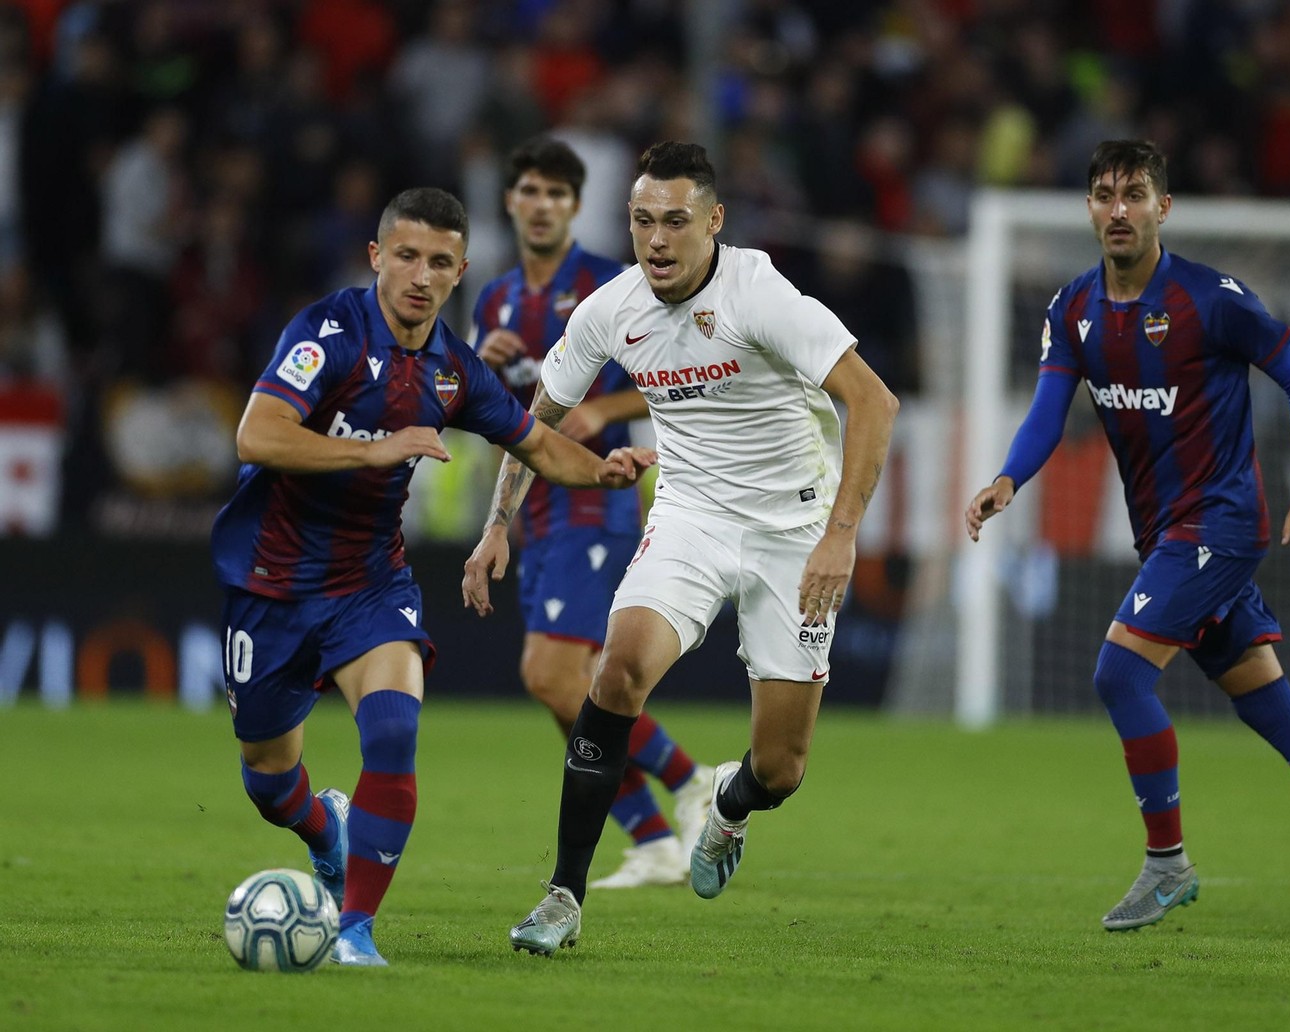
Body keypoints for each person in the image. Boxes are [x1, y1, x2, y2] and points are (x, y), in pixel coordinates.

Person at [964, 140, 1290, 939]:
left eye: (1135, 194)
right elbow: (1049, 410)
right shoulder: (1072, 310)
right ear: (1089, 208)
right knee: (1269, 704)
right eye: (1104, 194)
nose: (1118, 209)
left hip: (1219, 522)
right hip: (1167, 535)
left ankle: (1167, 863)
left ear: (1163, 209)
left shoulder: (1210, 300)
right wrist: (1010, 478)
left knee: (1119, 674)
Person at [461, 142, 899, 956]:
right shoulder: (609, 308)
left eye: (674, 221)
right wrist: (497, 526)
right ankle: (563, 893)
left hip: (794, 532)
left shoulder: (759, 292)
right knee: (616, 669)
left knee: (781, 768)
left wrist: (840, 537)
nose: (656, 240)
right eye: (641, 221)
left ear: (714, 223)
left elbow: (873, 402)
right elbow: (532, 422)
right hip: (691, 517)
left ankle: (727, 805)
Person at [211, 187, 653, 967]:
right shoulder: (327, 332)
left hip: (369, 585)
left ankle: (353, 933)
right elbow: (258, 435)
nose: (421, 275)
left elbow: (537, 445)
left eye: (440, 262)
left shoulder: (451, 370)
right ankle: (325, 830)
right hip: (271, 584)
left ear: (460, 273)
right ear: (377, 256)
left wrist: (606, 472)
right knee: (268, 782)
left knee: (392, 731)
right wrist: (373, 450)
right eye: (407, 256)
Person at [467, 137, 713, 889]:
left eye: (556, 194)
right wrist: (481, 363)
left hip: (594, 499)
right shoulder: (495, 300)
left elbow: (685, 371)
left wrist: (601, 403)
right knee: (562, 684)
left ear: (576, 207)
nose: (541, 205)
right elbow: (490, 411)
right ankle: (653, 835)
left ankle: (686, 780)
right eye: (529, 191)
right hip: (534, 510)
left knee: (550, 673)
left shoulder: (616, 282)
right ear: (510, 202)